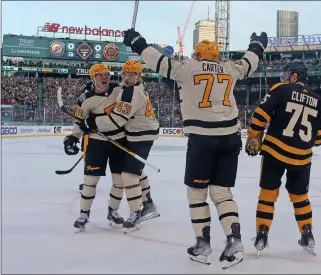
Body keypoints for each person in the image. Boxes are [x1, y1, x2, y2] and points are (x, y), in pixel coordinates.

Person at [123, 29, 268, 268]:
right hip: (230, 137)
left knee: (197, 193)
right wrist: (257, 45)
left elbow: (158, 62)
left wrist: (138, 43)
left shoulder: (188, 67)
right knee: (222, 192)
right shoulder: (229, 68)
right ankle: (234, 240)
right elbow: (249, 62)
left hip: (202, 138)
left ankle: (203, 244)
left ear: (198, 55)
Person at [245, 60, 321, 257]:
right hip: (302, 158)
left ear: (295, 76)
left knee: (268, 193)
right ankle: (307, 234)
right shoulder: (318, 100)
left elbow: (260, 114)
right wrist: (308, 143)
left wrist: (253, 135)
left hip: (275, 151)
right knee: (300, 197)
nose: (284, 77)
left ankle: (262, 234)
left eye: (288, 74)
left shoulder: (281, 89)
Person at [79, 60, 160, 233]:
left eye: (132, 74)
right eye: (125, 73)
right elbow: (81, 115)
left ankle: (137, 211)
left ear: (138, 75)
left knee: (128, 175)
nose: (127, 77)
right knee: (134, 171)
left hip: (138, 135)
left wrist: (93, 122)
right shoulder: (125, 87)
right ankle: (147, 203)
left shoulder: (130, 92)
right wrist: (74, 135)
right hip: (132, 135)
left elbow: (116, 120)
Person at [63, 64, 127, 232]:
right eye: (99, 75)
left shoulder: (119, 90)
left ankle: (113, 211)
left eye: (106, 74)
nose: (104, 77)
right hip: (97, 141)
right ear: (92, 78)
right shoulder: (85, 98)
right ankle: (84, 214)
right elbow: (79, 120)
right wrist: (73, 137)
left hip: (119, 140)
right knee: (90, 180)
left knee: (119, 181)